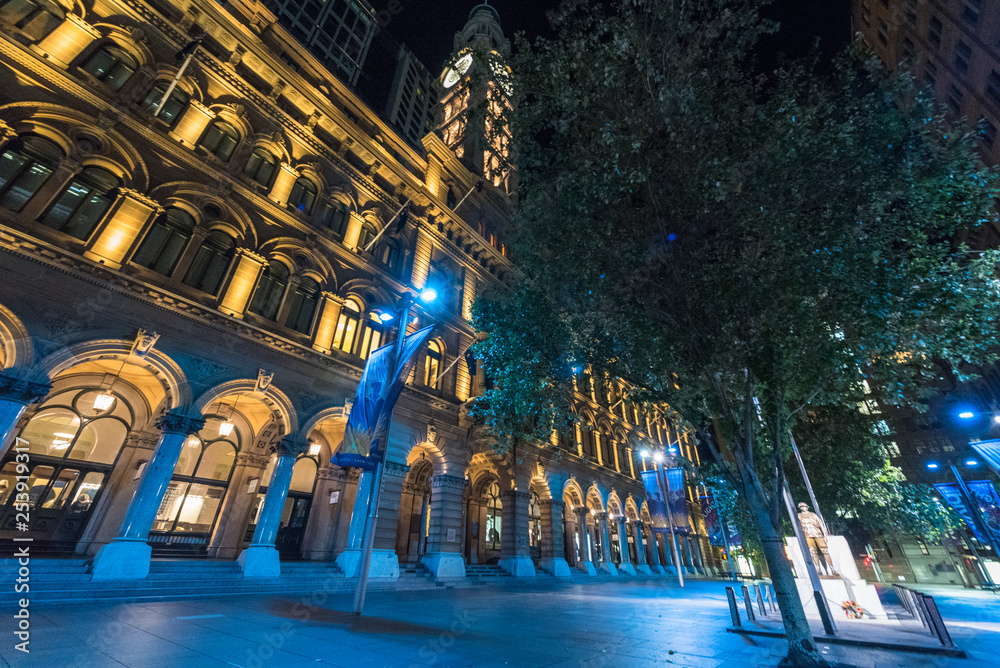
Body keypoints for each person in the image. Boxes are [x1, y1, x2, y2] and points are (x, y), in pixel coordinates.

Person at [797, 502, 834, 575]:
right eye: (801, 507)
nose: (802, 508)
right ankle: (818, 568)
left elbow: (821, 525)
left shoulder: (813, 515)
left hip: (817, 534)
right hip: (807, 535)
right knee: (813, 552)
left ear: (807, 507)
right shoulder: (799, 515)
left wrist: (825, 535)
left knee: (825, 551)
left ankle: (832, 568)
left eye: (804, 506)